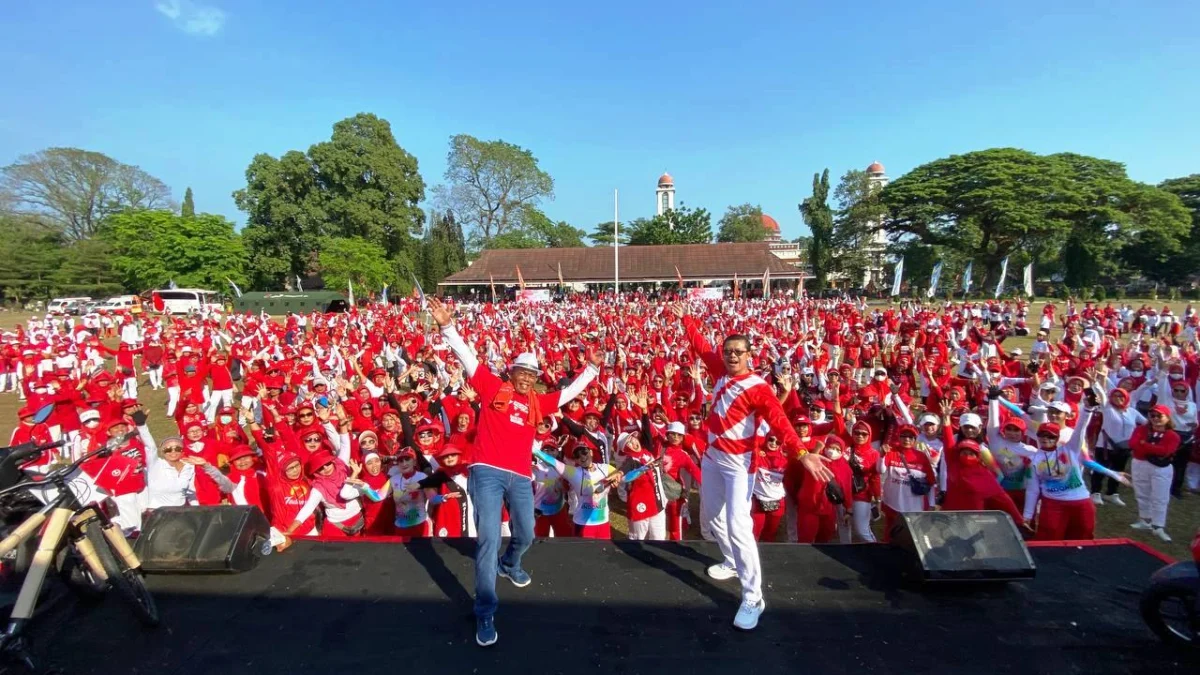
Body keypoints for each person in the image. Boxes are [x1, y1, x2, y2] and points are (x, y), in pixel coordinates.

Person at [427, 297, 601, 648]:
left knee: (527, 532)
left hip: (520, 475)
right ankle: (486, 609)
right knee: (489, 536)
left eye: (532, 374)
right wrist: (447, 327)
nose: (526, 378)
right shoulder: (493, 388)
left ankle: (510, 562)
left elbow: (567, 393)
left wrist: (593, 370)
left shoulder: (537, 401)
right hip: (487, 472)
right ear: (511, 373)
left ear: (536, 379)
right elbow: (468, 358)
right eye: (521, 372)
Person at [672, 302, 833, 631]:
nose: (731, 356)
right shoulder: (719, 370)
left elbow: (780, 423)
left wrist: (802, 454)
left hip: (739, 464)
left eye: (738, 351)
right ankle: (731, 561)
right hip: (713, 457)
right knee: (710, 517)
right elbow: (702, 347)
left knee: (738, 525)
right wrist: (686, 319)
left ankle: (753, 596)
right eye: (728, 350)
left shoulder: (758, 388)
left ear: (749, 355)